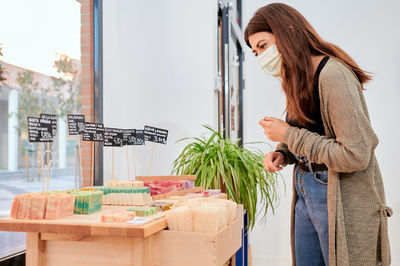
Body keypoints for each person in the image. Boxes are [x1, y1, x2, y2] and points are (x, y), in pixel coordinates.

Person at [244, 3, 392, 266]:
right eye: (255, 53)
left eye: (263, 46)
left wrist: (289, 134)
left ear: (287, 32)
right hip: (306, 188)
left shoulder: (334, 76)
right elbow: (306, 130)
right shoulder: (298, 78)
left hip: (337, 194)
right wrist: (282, 152)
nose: (261, 58)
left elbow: (355, 155)